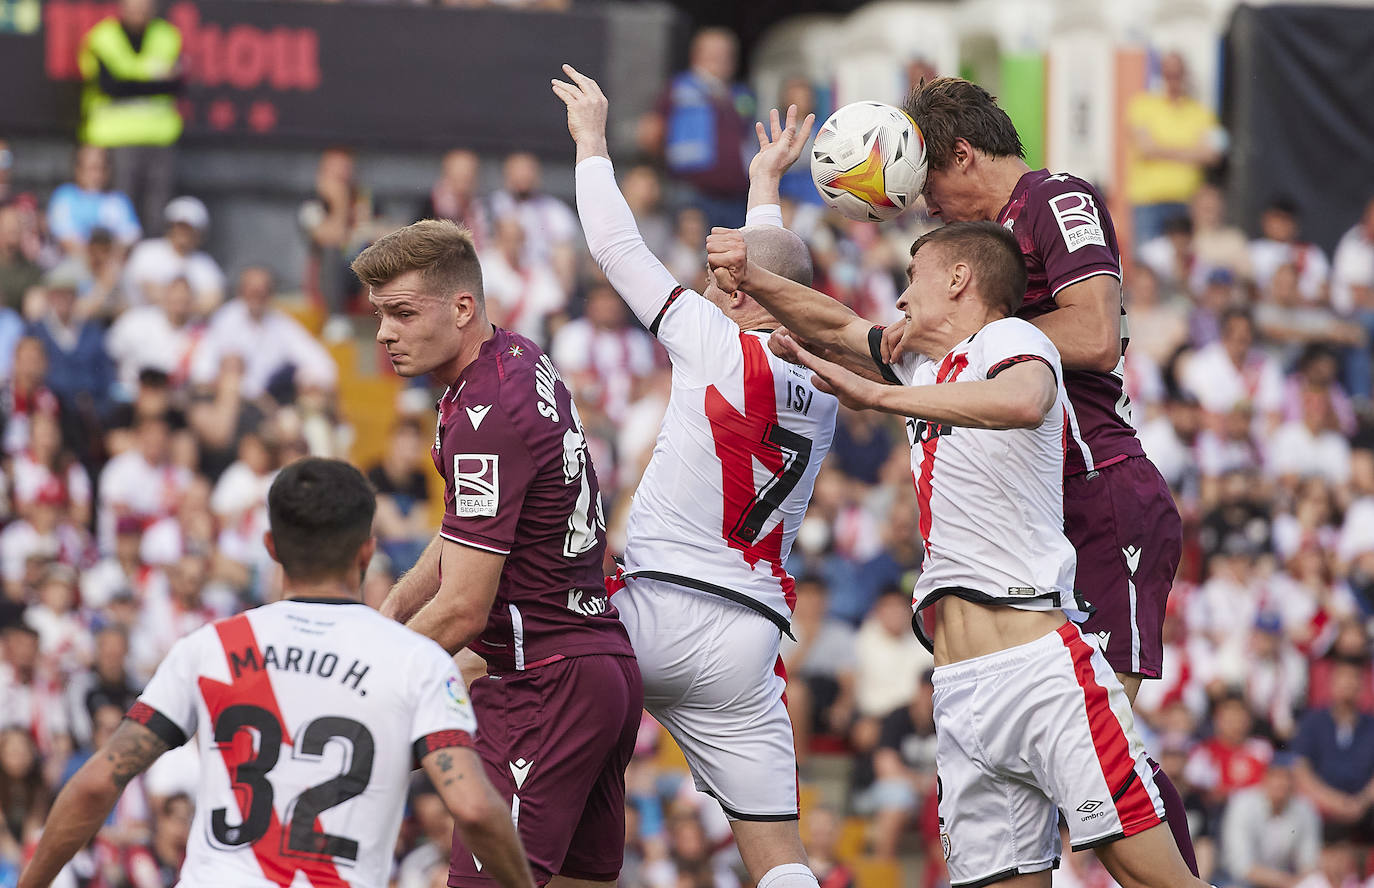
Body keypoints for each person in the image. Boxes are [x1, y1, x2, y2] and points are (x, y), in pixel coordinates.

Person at [704, 219, 1205, 888]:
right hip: (959, 693)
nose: (902, 300)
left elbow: (1026, 401)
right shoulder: (924, 365)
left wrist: (880, 396)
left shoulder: (1013, 339)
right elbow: (837, 324)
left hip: (1039, 672)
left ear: (959, 279)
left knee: (1156, 880)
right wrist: (752, 276)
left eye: (913, 281)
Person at [893, 75, 1197, 873]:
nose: (923, 206)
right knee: (1084, 771)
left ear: (961, 154)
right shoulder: (985, 249)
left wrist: (982, 331)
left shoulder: (1055, 196)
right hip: (1053, 514)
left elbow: (1095, 333)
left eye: (923, 182)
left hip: (1103, 493)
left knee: (1107, 763)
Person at [558, 66, 837, 888]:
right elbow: (771, 276)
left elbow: (614, 247)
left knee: (484, 661)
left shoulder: (711, 340)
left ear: (743, 294)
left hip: (653, 612)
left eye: (723, 282)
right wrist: (761, 189)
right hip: (747, 642)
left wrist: (592, 144)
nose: (711, 289)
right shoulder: (826, 385)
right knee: (781, 863)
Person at [16, 457, 536, 888]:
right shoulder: (415, 661)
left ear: (271, 548)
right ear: (366, 550)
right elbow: (471, 807)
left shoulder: (210, 648)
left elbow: (97, 783)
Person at [355, 218, 642, 888]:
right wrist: (394, 606)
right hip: (597, 668)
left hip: (543, 685)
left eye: (401, 313)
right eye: (378, 315)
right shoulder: (514, 357)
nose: (384, 334)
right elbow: (470, 529)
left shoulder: (486, 415)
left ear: (461, 307)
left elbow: (460, 609)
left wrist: (362, 671)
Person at [77, 0, 182, 235]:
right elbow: (111, 87)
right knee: (120, 211)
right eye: (134, 8)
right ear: (121, 8)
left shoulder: (167, 36)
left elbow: (175, 84)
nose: (139, 14)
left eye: (144, 8)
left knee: (157, 212)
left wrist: (131, 81)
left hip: (159, 139)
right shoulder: (103, 37)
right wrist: (154, 82)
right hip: (115, 139)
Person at [640, 27, 754, 228]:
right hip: (692, 194)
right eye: (715, 52)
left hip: (736, 197)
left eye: (727, 53)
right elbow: (651, 134)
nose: (722, 58)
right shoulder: (678, 88)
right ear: (697, 54)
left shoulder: (741, 93)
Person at [1125, 51, 1224, 244]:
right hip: (1149, 200)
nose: (1173, 78)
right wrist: (1192, 151)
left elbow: (1213, 154)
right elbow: (1146, 149)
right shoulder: (1142, 105)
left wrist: (1161, 149)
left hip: (1188, 201)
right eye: (1168, 73)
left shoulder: (1201, 112)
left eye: (1177, 73)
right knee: (1148, 265)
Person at [122, 195, 225, 315]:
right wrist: (189, 302)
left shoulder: (205, 264)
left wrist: (180, 305)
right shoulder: (147, 251)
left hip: (187, 329)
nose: (183, 233)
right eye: (180, 227)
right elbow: (147, 290)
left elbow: (212, 302)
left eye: (189, 229)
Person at [46, 145, 141, 258]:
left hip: (114, 264)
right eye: (92, 168)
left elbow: (130, 238)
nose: (97, 175)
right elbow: (65, 239)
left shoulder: (118, 200)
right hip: (74, 263)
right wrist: (94, 261)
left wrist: (109, 261)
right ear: (78, 170)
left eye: (102, 168)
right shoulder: (64, 196)